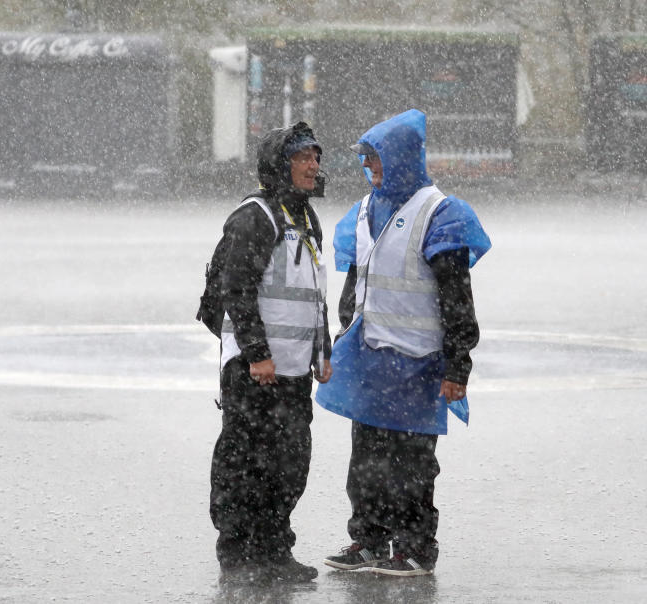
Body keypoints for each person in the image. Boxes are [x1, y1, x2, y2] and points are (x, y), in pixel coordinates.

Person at [316, 109, 491, 577]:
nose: (370, 169)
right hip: (371, 360)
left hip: (418, 363)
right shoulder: (364, 212)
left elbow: (457, 300)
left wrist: (458, 367)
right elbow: (355, 285)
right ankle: (368, 540)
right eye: (366, 160)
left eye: (376, 159)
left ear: (400, 160)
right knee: (367, 460)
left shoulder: (441, 214)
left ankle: (415, 548)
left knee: (412, 465)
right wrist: (344, 336)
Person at [209, 121, 332, 584]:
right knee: (243, 463)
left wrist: (324, 349)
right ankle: (238, 555)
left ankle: (274, 550)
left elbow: (312, 290)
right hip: (253, 369)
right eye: (303, 158)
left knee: (288, 465)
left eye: (316, 157)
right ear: (281, 164)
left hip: (295, 370)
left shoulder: (303, 217)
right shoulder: (255, 216)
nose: (313, 165)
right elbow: (236, 289)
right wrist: (257, 353)